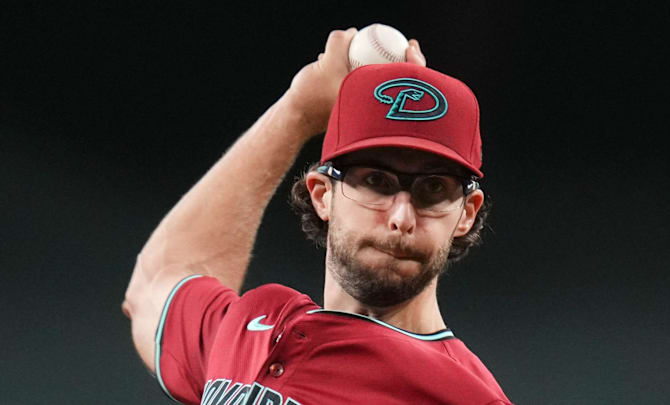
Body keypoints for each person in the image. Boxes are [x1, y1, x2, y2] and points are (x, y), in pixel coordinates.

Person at [123, 27, 512, 405]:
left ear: (466, 213)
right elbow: (154, 285)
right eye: (377, 181)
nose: (401, 217)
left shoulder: (465, 396)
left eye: (433, 190)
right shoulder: (256, 326)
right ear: (322, 195)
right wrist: (296, 113)